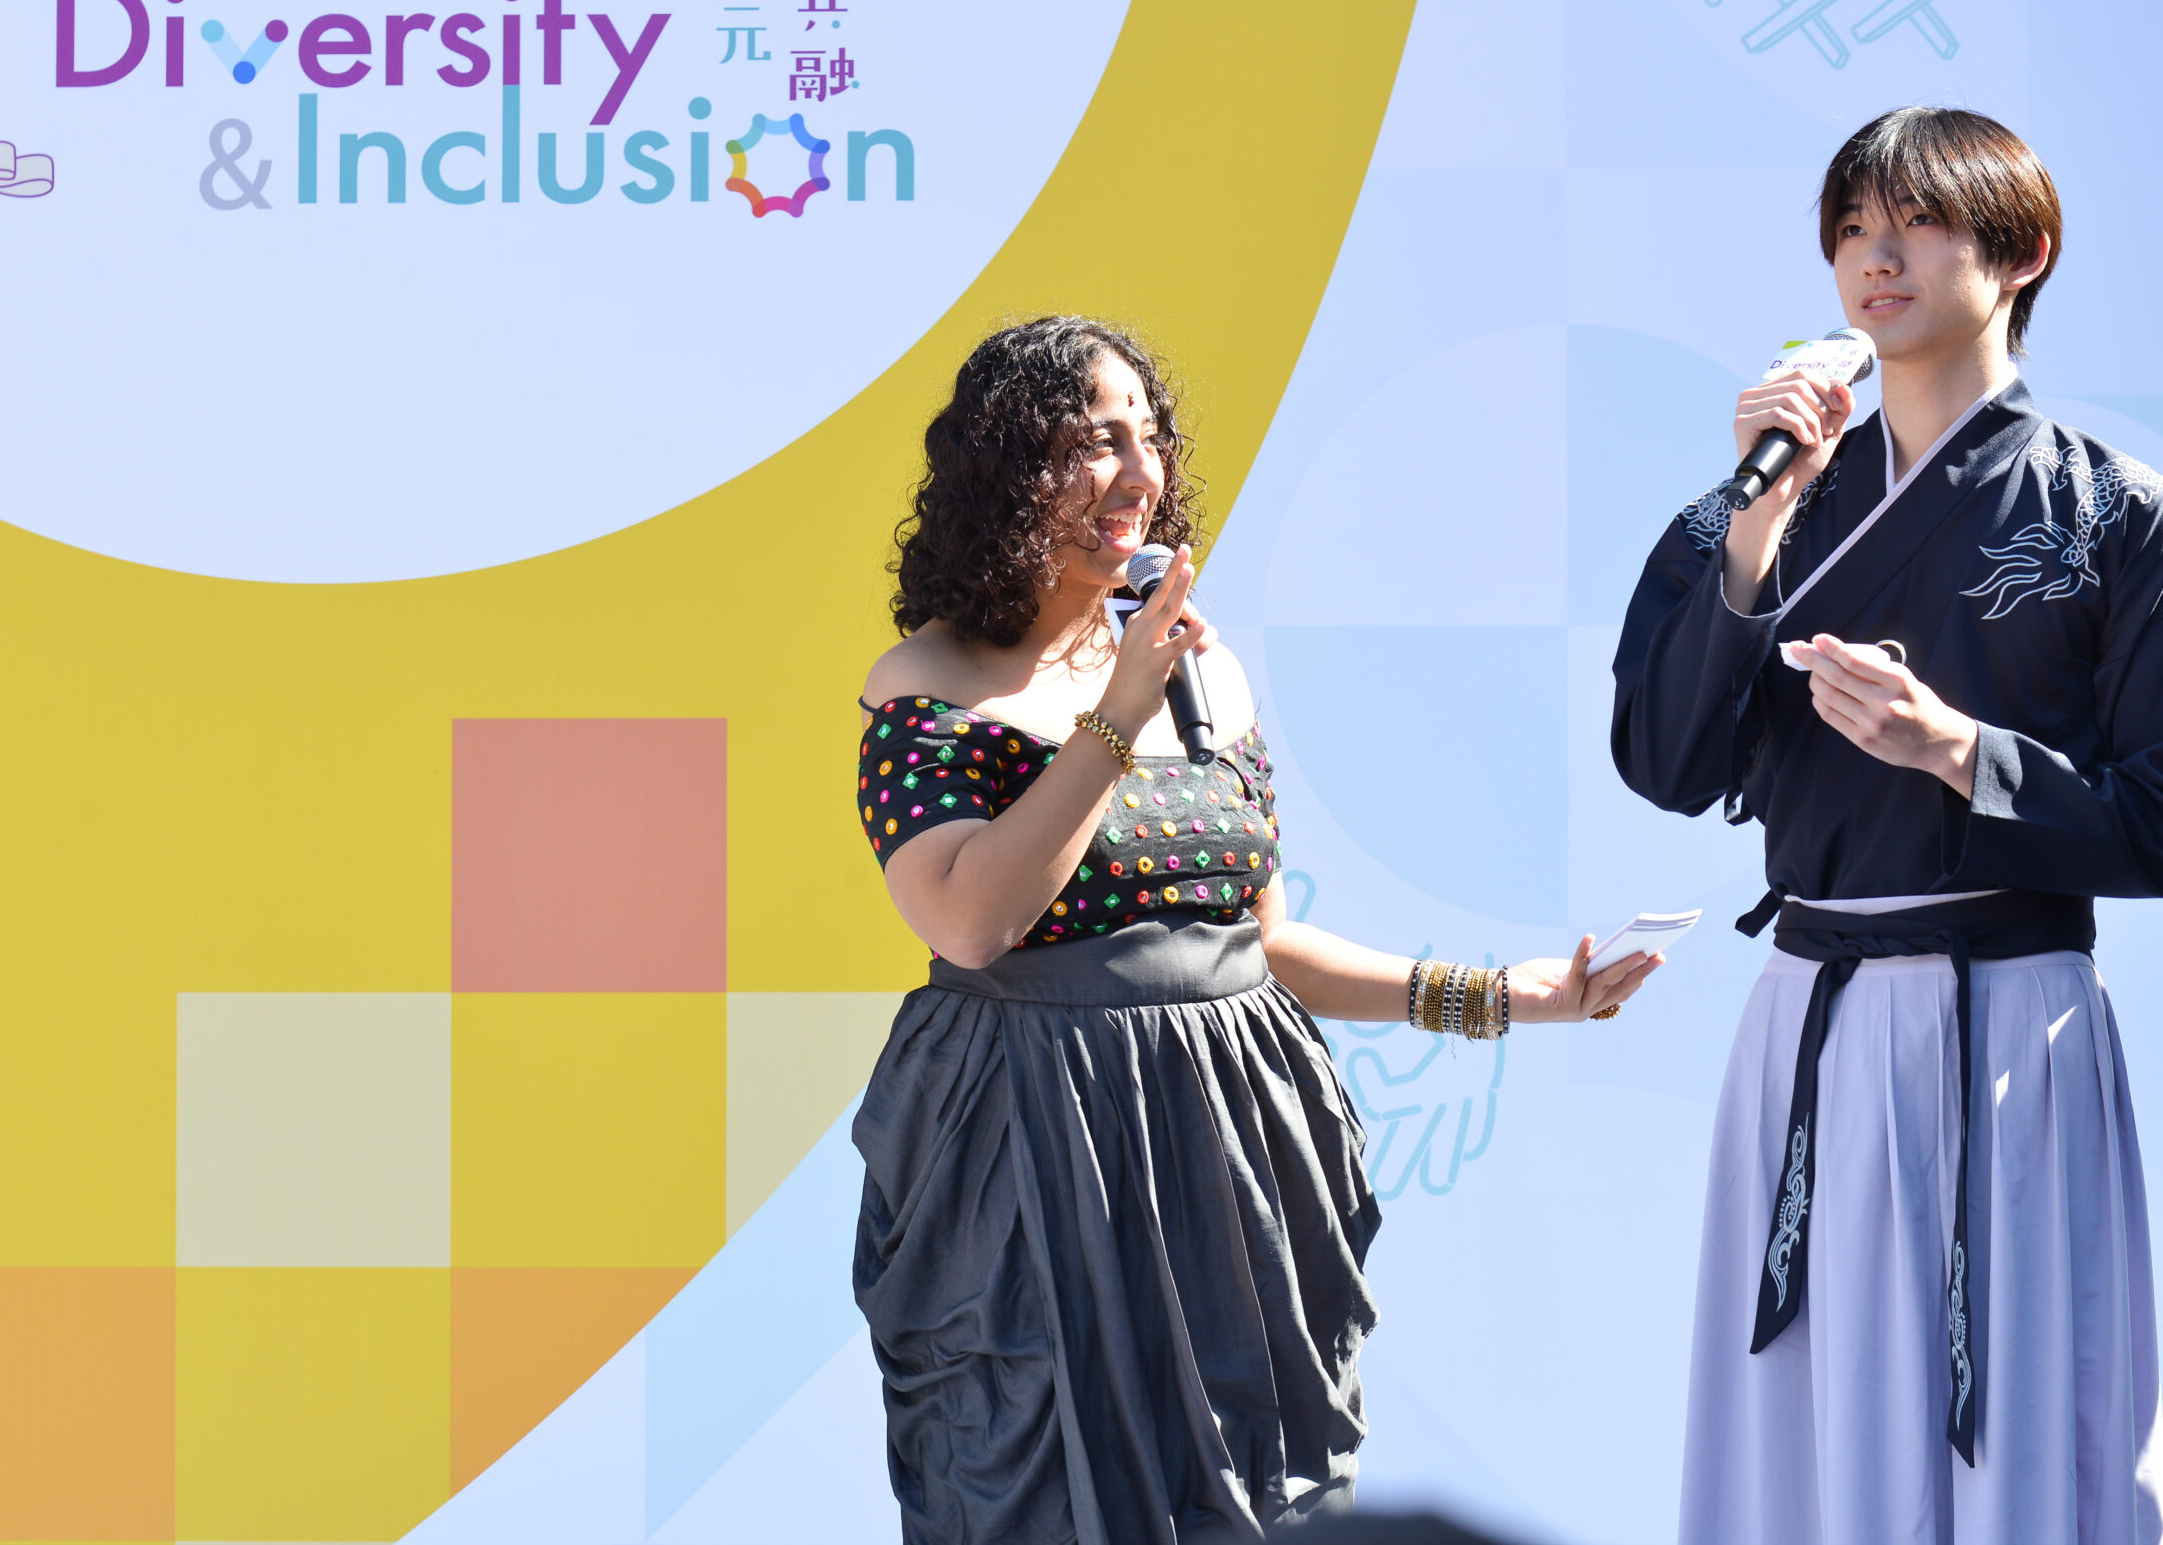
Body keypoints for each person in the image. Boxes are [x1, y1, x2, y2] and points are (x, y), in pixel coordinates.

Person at [852, 315, 1657, 1542]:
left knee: (1264, 1504)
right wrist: (1113, 716)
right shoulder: (930, 682)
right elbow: (971, 919)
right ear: (1008, 475)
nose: (1133, 473)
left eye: (1145, 438)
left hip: (1230, 1158)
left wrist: (1505, 998)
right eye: (1088, 443)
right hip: (1030, 1152)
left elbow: (1263, 947)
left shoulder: (1205, 678)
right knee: (1035, 1490)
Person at [1612, 107, 2163, 1543]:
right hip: (1813, 1015)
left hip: (2015, 1023)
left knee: (2023, 1432)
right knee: (1804, 1431)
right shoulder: (1749, 506)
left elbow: (2160, 822)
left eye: (1913, 222)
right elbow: (1664, 760)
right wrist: (1751, 535)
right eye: (1852, 228)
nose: (1876, 256)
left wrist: (1959, 752)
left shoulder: (2118, 515)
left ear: (2021, 251)